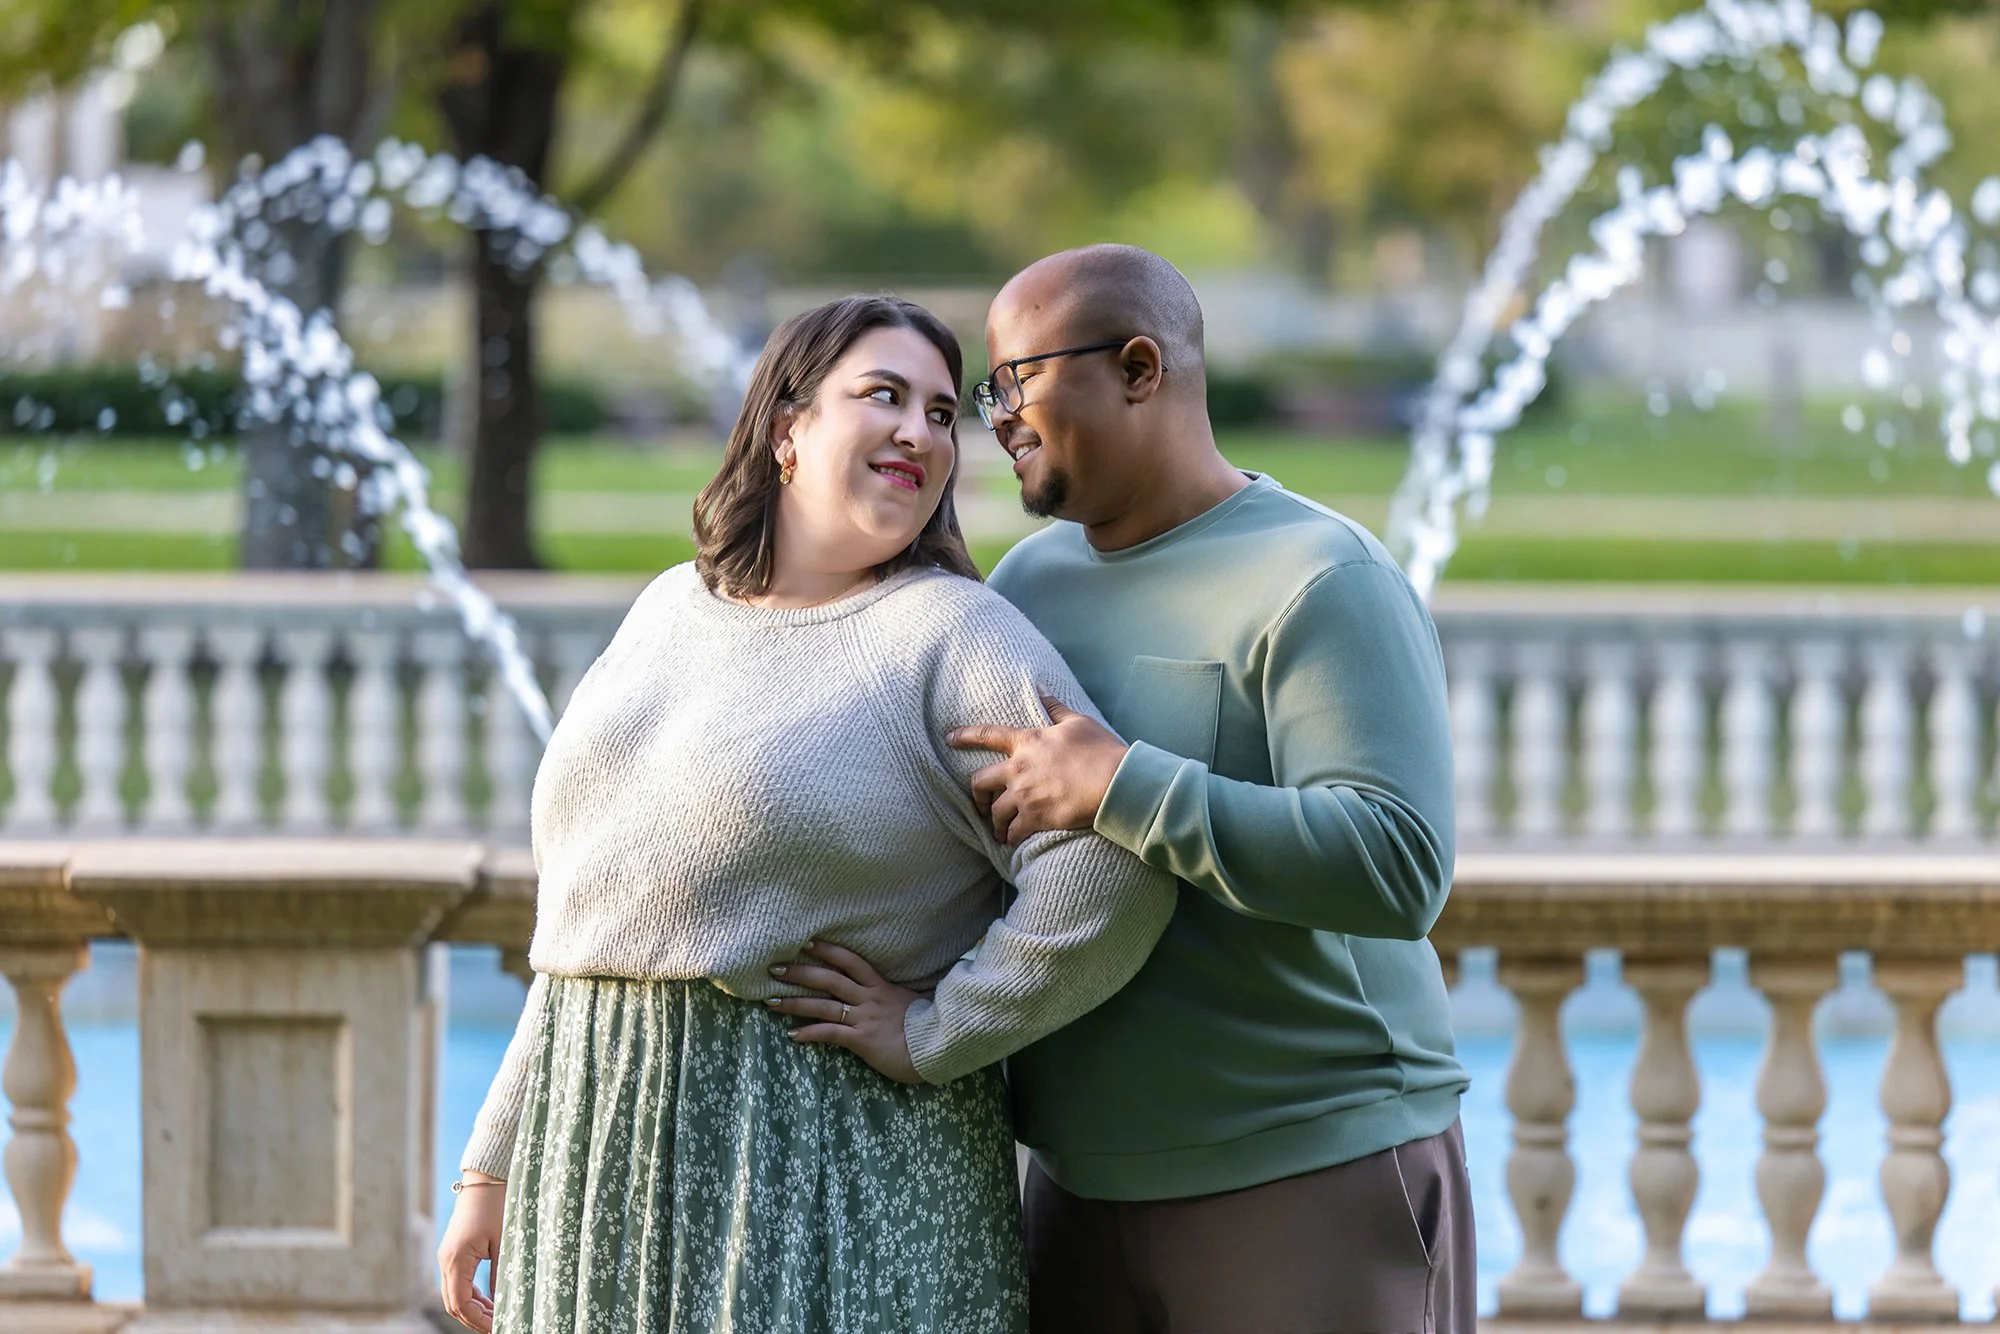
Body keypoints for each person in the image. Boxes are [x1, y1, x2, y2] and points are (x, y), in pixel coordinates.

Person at [434, 294, 1175, 1334]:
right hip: (594, 1165)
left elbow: (1109, 867)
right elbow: (591, 913)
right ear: (786, 426)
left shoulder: (951, 635)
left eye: (938, 412)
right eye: (884, 395)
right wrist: (492, 1161)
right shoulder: (669, 608)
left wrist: (934, 1030)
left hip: (824, 1177)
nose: (919, 431)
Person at [813, 246, 1474, 1334]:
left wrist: (1120, 784)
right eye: (988, 394)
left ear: (1136, 368)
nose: (997, 419)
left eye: (1015, 380)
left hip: (1309, 1171)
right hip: (1075, 1188)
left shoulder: (1322, 577)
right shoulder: (1024, 585)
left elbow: (1396, 865)